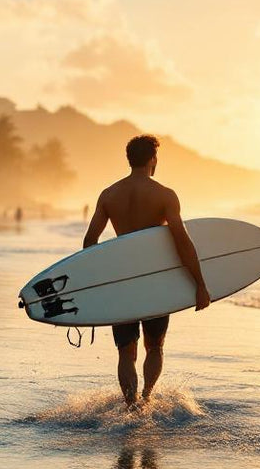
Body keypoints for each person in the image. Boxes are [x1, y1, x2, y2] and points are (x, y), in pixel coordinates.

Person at [82, 135, 210, 407]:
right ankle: (147, 399)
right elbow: (182, 242)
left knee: (125, 353)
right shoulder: (164, 195)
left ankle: (130, 407)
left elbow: (89, 242)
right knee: (155, 347)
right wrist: (199, 283)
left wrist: (94, 286)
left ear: (130, 159)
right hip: (154, 282)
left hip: (121, 282)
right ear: (153, 159)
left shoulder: (109, 195)